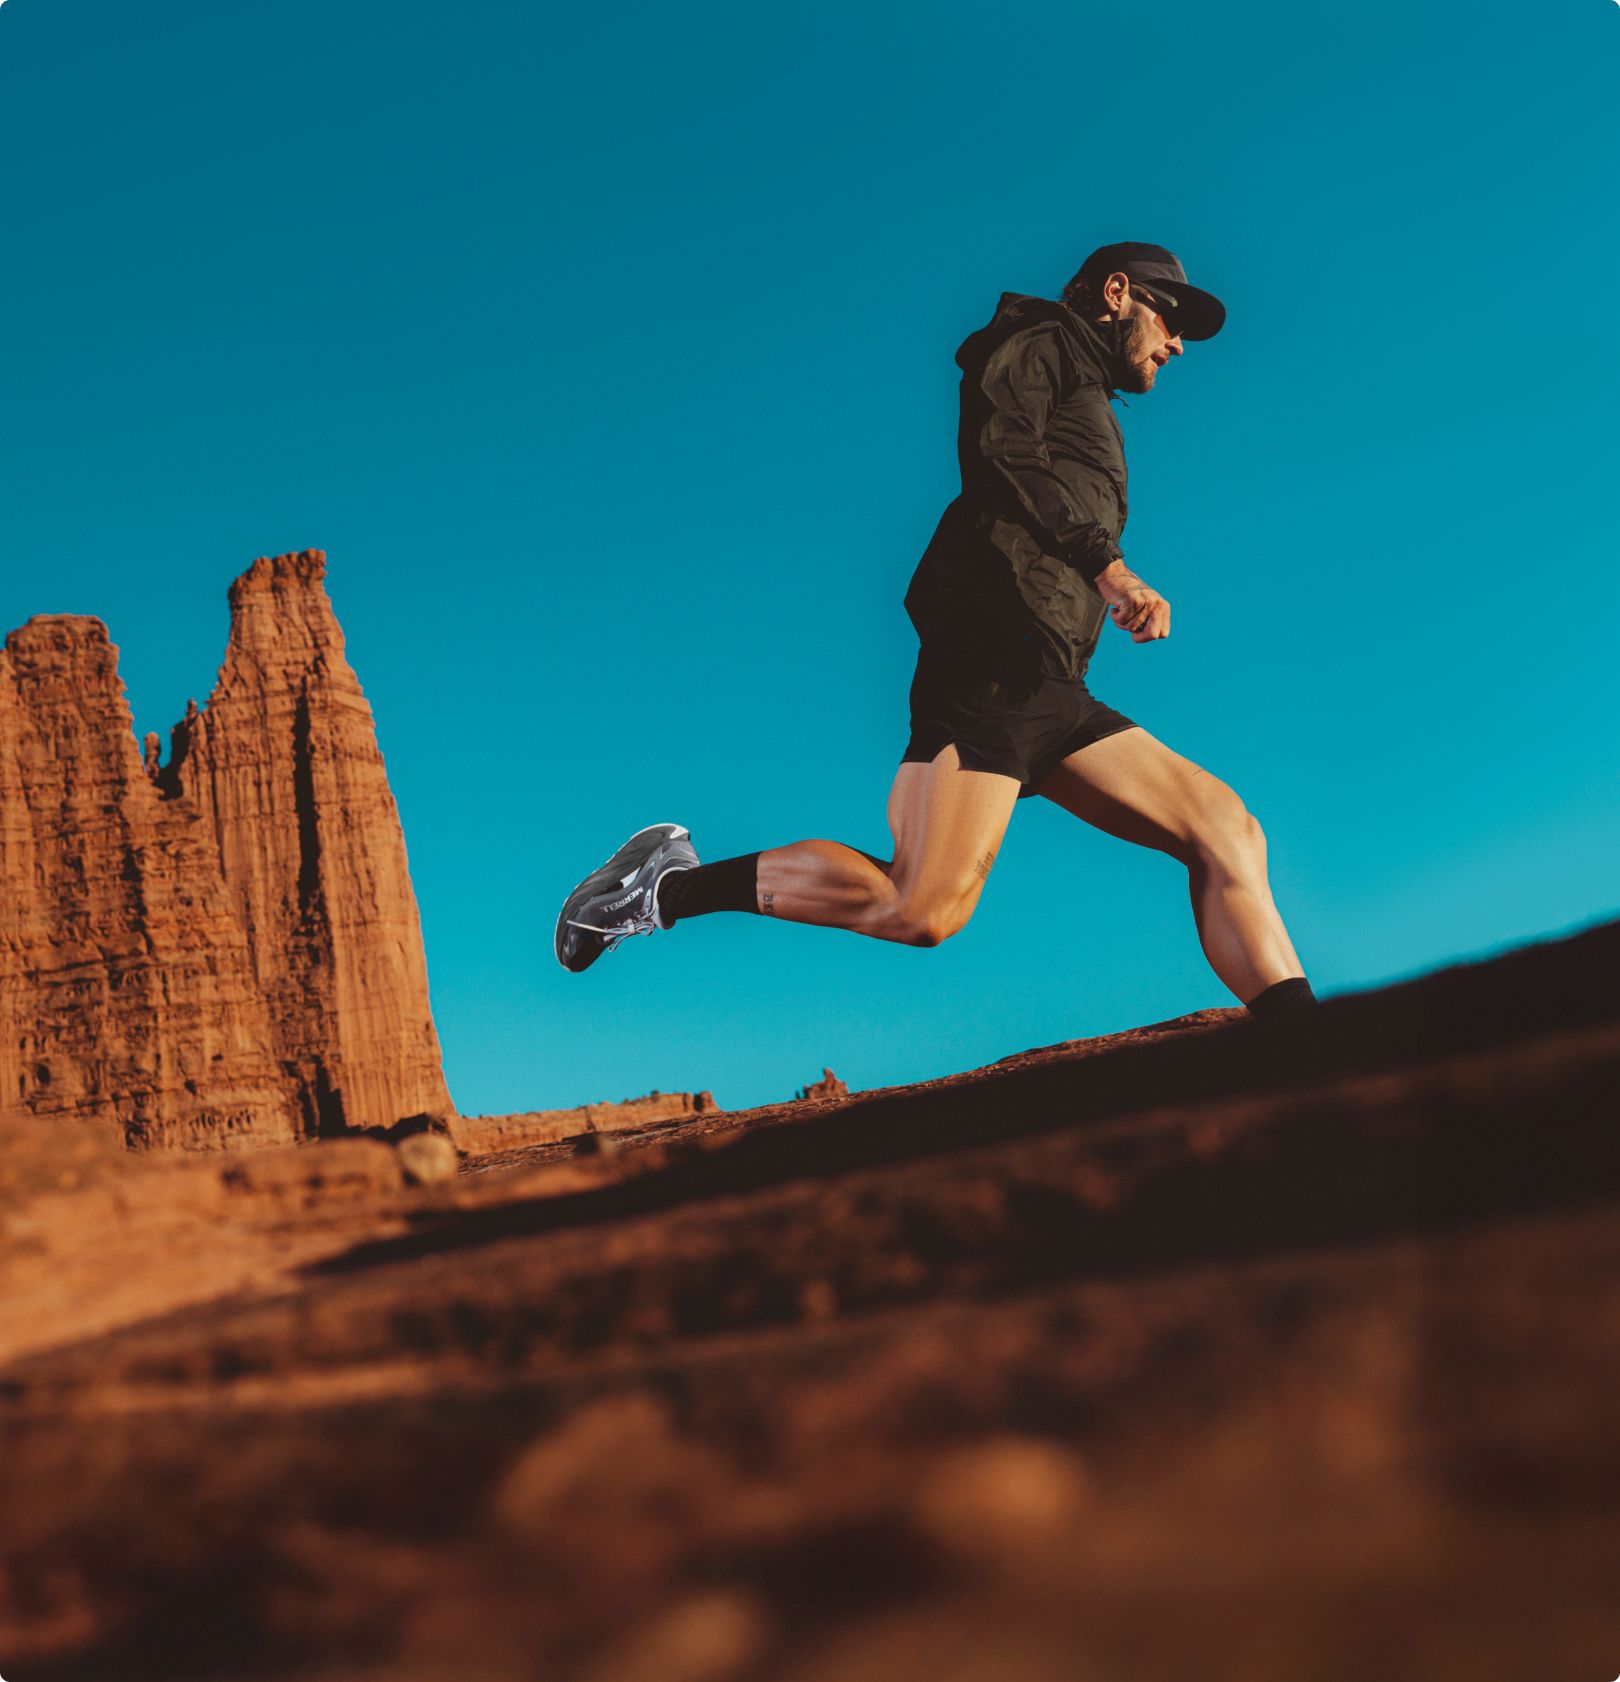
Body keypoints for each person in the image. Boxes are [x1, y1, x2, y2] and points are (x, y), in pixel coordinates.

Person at [555, 242, 1318, 1024]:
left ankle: (1304, 1040)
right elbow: (1003, 450)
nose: (1178, 341)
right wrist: (1110, 569)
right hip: (989, 658)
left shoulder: (1086, 390)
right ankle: (660, 887)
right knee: (919, 907)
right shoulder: (1040, 340)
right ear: (1117, 293)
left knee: (1226, 828)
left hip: (1049, 681)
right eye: (1170, 315)